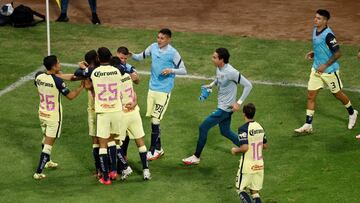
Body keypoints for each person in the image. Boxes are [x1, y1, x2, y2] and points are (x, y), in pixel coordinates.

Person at [182, 47, 253, 165]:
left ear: (222, 60)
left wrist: (239, 102)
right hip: (224, 107)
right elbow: (219, 78)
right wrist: (211, 85)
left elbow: (248, 85)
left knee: (203, 127)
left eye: (214, 57)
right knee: (225, 131)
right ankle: (246, 147)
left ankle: (196, 157)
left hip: (224, 109)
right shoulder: (219, 68)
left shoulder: (231, 72)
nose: (212, 59)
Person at [294, 9, 357, 133]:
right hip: (316, 69)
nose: (315, 19)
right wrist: (315, 53)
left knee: (337, 94)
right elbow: (321, 47)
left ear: (325, 21)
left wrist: (325, 65)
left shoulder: (329, 35)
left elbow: (338, 53)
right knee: (310, 96)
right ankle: (308, 124)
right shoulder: (315, 30)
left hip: (329, 71)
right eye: (315, 17)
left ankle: (352, 112)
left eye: (318, 18)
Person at [131, 28, 187, 161]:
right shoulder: (153, 47)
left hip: (164, 91)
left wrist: (170, 70)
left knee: (156, 120)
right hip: (152, 89)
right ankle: (159, 149)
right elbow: (140, 57)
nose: (159, 40)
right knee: (153, 120)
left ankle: (152, 150)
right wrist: (130, 54)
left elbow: (184, 70)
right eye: (158, 37)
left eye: (162, 38)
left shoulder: (173, 53)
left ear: (168, 39)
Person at [33, 55, 84, 180]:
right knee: (48, 145)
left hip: (42, 114)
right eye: (58, 63)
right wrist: (81, 87)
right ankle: (38, 172)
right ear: (54, 66)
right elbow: (71, 96)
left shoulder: (38, 76)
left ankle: (48, 161)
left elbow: (55, 78)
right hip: (53, 118)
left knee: (45, 138)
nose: (60, 64)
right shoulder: (58, 82)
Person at [109, 55, 151, 180]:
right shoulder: (127, 76)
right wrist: (135, 102)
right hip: (134, 112)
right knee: (140, 143)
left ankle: (126, 167)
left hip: (122, 115)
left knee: (114, 143)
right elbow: (133, 92)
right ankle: (146, 171)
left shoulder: (113, 81)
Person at [231, 103, 268, 203]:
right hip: (259, 165)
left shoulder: (243, 129)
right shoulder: (260, 127)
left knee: (240, 189)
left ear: (244, 114)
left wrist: (235, 150)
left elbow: (244, 148)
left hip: (247, 165)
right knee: (254, 191)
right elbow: (265, 146)